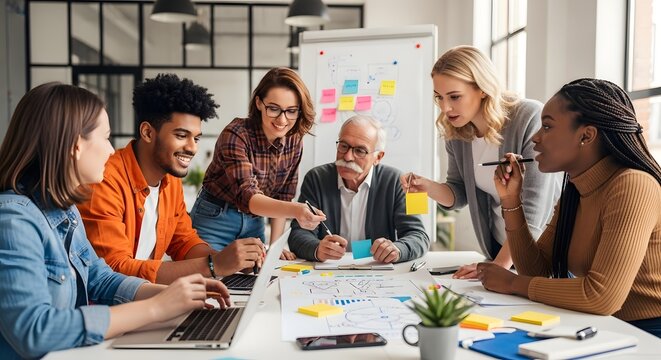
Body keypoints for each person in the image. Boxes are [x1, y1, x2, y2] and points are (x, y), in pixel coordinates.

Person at [0, 83, 231, 359]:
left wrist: (175, 297)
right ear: (76, 145)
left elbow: (100, 277)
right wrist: (155, 308)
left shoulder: (65, 210)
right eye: (106, 138)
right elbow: (34, 332)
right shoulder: (13, 221)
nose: (111, 150)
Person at [477, 78, 661, 338]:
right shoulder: (577, 189)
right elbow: (537, 270)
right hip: (606, 329)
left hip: (647, 336)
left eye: (548, 126)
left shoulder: (632, 185)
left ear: (586, 135)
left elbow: (602, 297)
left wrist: (511, 282)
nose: (535, 138)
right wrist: (511, 201)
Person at [78, 74, 265, 284]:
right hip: (117, 307)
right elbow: (114, 270)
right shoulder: (105, 181)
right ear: (148, 132)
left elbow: (183, 241)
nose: (192, 148)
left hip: (150, 299)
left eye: (196, 138)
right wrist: (214, 265)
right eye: (181, 135)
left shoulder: (169, 180)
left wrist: (231, 260)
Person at [401, 45, 561, 277]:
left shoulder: (528, 117)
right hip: (498, 252)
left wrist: (498, 267)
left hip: (539, 255)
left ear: (483, 89)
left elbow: (535, 209)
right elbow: (459, 193)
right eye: (439, 98)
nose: (445, 108)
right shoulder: (457, 133)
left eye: (455, 97)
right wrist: (428, 187)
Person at [191, 67, 324, 259]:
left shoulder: (294, 140)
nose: (282, 119)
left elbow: (283, 196)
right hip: (216, 219)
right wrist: (297, 210)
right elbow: (249, 197)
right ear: (259, 103)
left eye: (291, 111)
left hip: (254, 224)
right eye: (274, 108)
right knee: (208, 281)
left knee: (252, 282)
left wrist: (275, 248)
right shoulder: (236, 134)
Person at [289, 115, 430, 263]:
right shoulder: (315, 178)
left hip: (375, 269)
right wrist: (317, 248)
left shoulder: (399, 181)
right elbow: (298, 233)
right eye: (343, 146)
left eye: (360, 151)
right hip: (328, 270)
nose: (348, 156)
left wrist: (397, 249)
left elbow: (419, 236)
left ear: (378, 157)